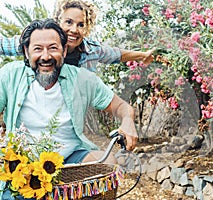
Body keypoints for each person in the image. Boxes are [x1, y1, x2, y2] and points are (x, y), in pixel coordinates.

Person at [0, 18, 138, 163]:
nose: (46, 56)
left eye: (53, 48)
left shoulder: (82, 79)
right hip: (20, 161)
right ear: (26, 52)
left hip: (71, 158)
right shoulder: (10, 74)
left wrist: (127, 121)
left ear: (64, 50)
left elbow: (122, 106)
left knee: (108, 162)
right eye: (38, 49)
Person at [0, 0, 154, 72]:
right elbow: (4, 45)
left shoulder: (92, 50)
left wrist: (142, 55)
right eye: (68, 22)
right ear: (58, 20)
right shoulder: (39, 40)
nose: (74, 30)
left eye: (81, 25)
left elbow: (117, 55)